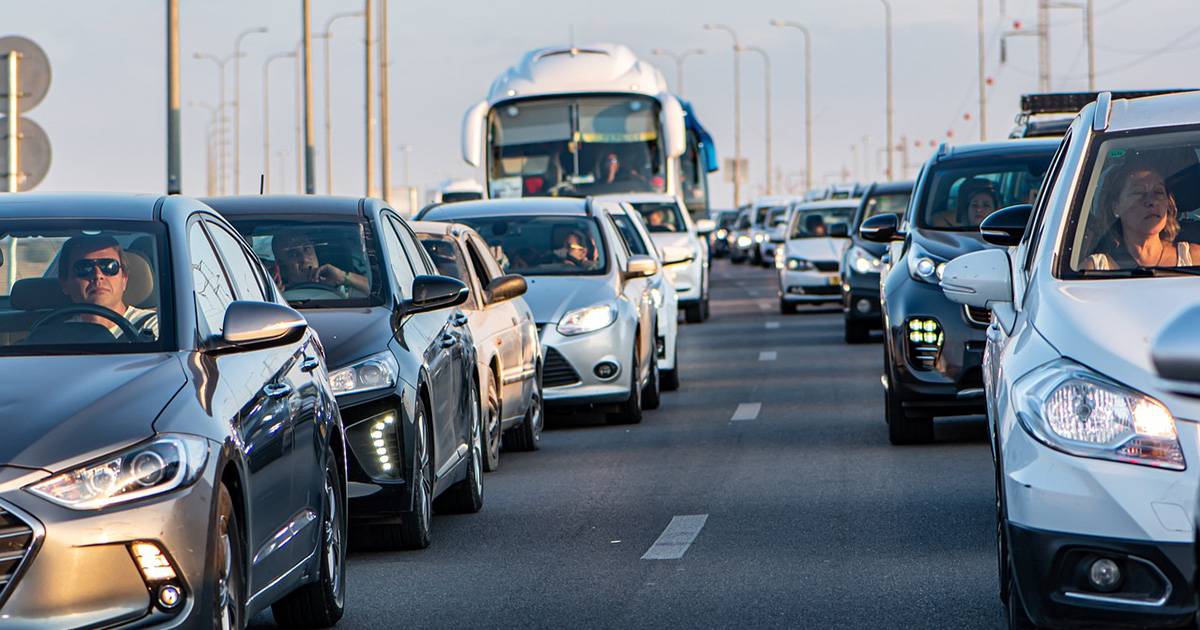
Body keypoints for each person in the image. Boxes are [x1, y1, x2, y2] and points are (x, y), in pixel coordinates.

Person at [1083, 163, 1200, 270]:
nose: (1151, 201)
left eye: (1158, 192)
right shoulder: (1095, 268)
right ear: (1116, 206)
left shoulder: (1194, 258)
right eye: (1138, 192)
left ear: (1168, 204)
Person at [57, 234, 158, 339]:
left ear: (124, 279)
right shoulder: (56, 335)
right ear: (65, 283)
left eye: (109, 266)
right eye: (84, 268)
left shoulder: (155, 327)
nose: (98, 275)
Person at [271, 230, 369, 295]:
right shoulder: (275, 295)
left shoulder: (341, 285)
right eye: (293, 254)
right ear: (280, 267)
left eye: (307, 249)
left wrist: (344, 277)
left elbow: (379, 293)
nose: (304, 259)